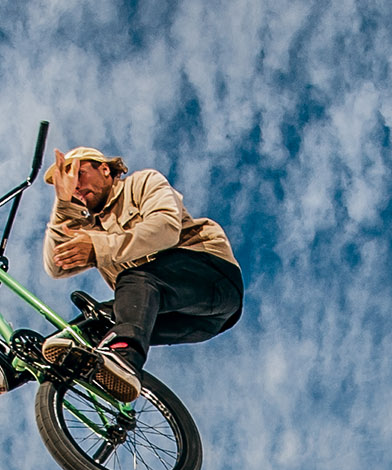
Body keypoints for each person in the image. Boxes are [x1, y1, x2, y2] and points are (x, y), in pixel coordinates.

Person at [39, 146, 244, 402]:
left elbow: (165, 228)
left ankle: (124, 358)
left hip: (213, 279)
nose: (76, 187)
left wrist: (100, 248)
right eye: (69, 183)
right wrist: (64, 204)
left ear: (104, 168)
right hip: (187, 321)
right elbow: (57, 265)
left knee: (136, 279)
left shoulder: (141, 183)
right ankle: (21, 366)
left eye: (79, 175)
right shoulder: (89, 226)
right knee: (94, 325)